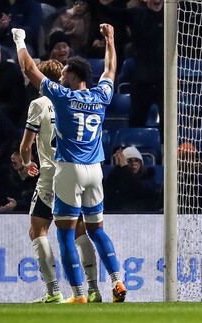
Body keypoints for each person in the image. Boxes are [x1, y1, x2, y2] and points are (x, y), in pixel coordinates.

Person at [12, 24, 125, 304]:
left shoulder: (62, 97)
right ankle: (116, 281)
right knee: (96, 230)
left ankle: (77, 295)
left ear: (72, 75)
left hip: (68, 170)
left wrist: (20, 40)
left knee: (64, 233)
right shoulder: (101, 96)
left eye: (64, 72)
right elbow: (110, 70)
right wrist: (110, 39)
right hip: (95, 170)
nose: (60, 75)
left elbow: (29, 69)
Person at [19, 58, 104, 303]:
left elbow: (25, 146)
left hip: (50, 176)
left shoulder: (39, 103)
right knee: (80, 230)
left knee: (38, 230)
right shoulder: (75, 101)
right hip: (77, 170)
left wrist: (26, 164)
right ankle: (93, 289)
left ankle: (54, 290)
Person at [104, 145, 162, 212]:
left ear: (141, 163)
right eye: (129, 160)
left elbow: (138, 188)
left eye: (136, 160)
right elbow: (108, 195)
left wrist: (125, 168)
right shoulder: (116, 177)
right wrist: (118, 168)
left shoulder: (148, 176)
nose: (133, 163)